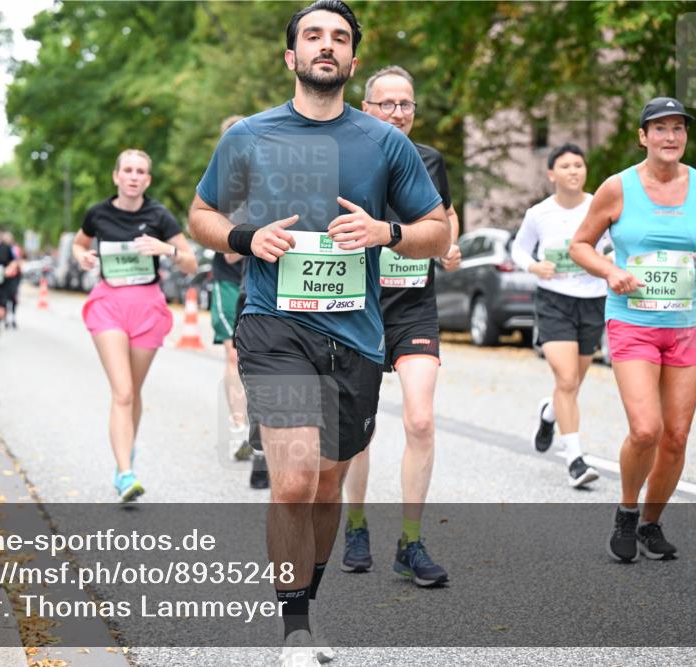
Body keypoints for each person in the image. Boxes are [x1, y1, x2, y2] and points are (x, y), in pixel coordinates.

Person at [188, 2, 449, 662]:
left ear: (352, 61)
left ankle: (307, 598)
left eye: (339, 38)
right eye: (313, 36)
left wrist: (386, 231)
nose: (326, 46)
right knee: (296, 478)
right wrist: (246, 237)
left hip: (357, 337)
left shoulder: (385, 143)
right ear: (292, 57)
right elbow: (202, 214)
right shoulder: (248, 135)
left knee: (330, 483)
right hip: (273, 324)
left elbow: (437, 231)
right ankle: (296, 628)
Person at [570, 97, 696, 563]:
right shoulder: (617, 188)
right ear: (643, 137)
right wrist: (609, 271)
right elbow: (580, 245)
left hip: (687, 325)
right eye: (659, 129)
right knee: (646, 430)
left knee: (676, 435)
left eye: (678, 128)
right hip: (633, 322)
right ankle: (626, 509)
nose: (670, 137)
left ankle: (651, 522)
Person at [340, 65, 461, 585]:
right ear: (367, 109)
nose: (396, 113)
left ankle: (410, 542)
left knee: (419, 421)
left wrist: (448, 244)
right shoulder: (344, 156)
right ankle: (357, 526)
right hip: (358, 304)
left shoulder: (430, 160)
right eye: (385, 104)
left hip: (413, 304)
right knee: (361, 432)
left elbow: (446, 217)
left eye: (405, 104)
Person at [73, 149, 197, 502]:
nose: (133, 176)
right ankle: (126, 473)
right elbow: (79, 243)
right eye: (127, 170)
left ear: (148, 180)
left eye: (140, 171)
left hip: (147, 308)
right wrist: (80, 256)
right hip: (108, 304)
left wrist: (165, 249)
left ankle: (124, 454)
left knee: (134, 392)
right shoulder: (98, 213)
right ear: (116, 176)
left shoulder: (159, 215)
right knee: (123, 391)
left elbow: (189, 263)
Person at [511, 143, 607, 489]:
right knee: (566, 379)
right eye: (565, 166)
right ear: (552, 174)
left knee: (573, 384)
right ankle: (575, 461)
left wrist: (609, 264)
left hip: (593, 301)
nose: (573, 171)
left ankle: (548, 413)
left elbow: (615, 244)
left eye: (579, 165)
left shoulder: (600, 206)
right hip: (554, 302)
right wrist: (534, 265)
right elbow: (519, 249)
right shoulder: (539, 213)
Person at [209, 115, 252, 463]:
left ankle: (260, 424)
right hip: (228, 280)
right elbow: (229, 252)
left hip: (263, 280)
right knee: (233, 355)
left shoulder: (272, 179)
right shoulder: (221, 188)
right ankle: (239, 429)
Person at [3, 230, 23, 329]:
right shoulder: (1, 249)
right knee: (5, 299)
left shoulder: (15, 249)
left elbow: (19, 262)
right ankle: (6, 318)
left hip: (14, 277)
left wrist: (15, 266)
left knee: (13, 297)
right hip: (4, 277)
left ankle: (13, 317)